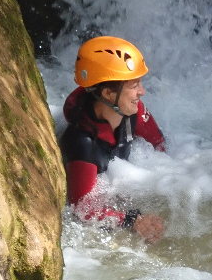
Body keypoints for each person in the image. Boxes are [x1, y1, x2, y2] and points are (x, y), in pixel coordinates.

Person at [59, 36, 166, 243]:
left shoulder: (136, 113)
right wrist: (132, 221)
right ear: (108, 93)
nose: (142, 92)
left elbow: (160, 147)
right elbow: (82, 209)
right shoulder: (83, 144)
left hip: (118, 184)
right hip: (104, 210)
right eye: (134, 85)